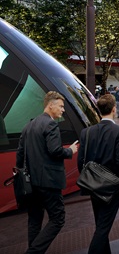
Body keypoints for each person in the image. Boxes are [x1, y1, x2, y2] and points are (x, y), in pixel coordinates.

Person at [16, 91, 79, 253]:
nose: (63, 110)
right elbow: (55, 151)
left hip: (32, 183)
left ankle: (34, 249)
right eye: (61, 106)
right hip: (49, 182)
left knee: (35, 219)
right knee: (58, 219)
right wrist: (70, 151)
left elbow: (19, 156)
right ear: (50, 105)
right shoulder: (51, 125)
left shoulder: (28, 125)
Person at [78, 94, 119, 253]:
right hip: (112, 186)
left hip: (93, 185)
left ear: (99, 111)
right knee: (102, 229)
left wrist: (90, 179)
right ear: (114, 109)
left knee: (101, 224)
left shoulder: (86, 132)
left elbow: (81, 161)